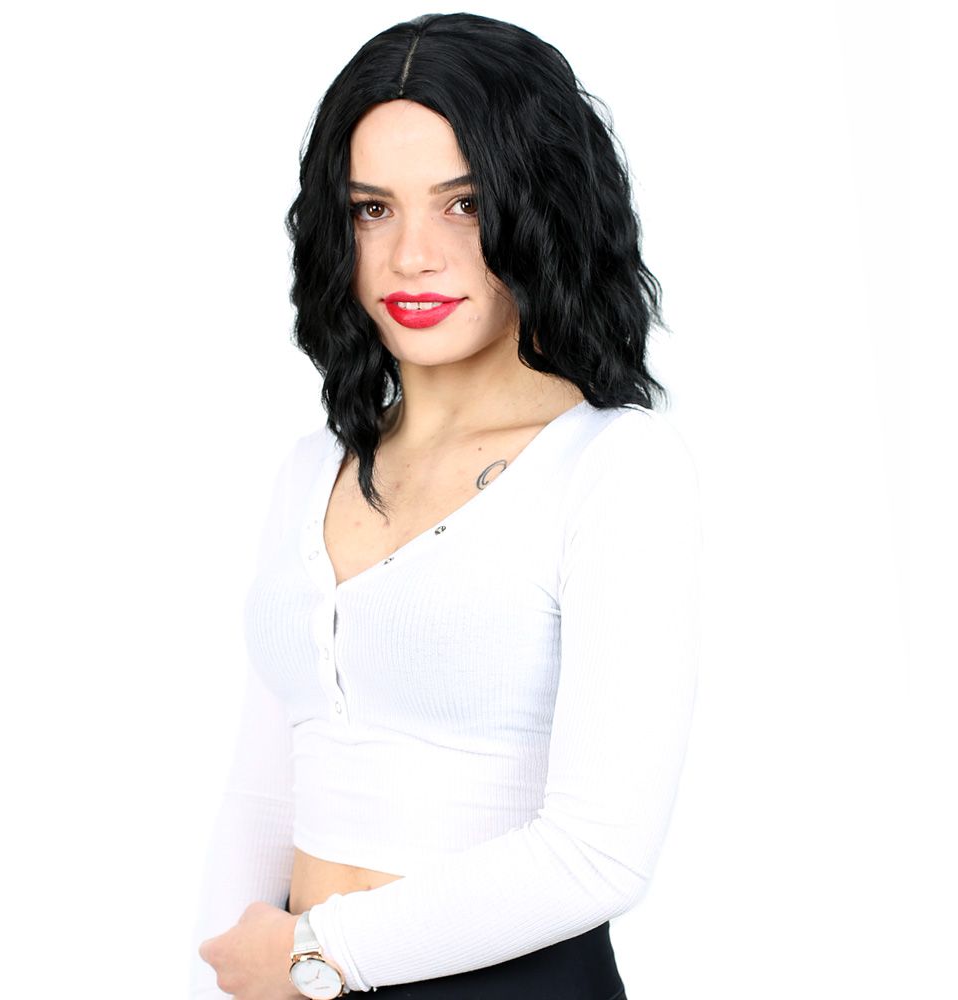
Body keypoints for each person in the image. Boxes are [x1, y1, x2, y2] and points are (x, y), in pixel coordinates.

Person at [191, 12, 701, 1000]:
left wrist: (317, 954)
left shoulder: (613, 467)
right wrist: (234, 968)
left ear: (539, 209)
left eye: (462, 204)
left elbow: (600, 851)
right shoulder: (313, 468)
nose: (411, 255)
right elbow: (263, 791)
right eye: (372, 209)